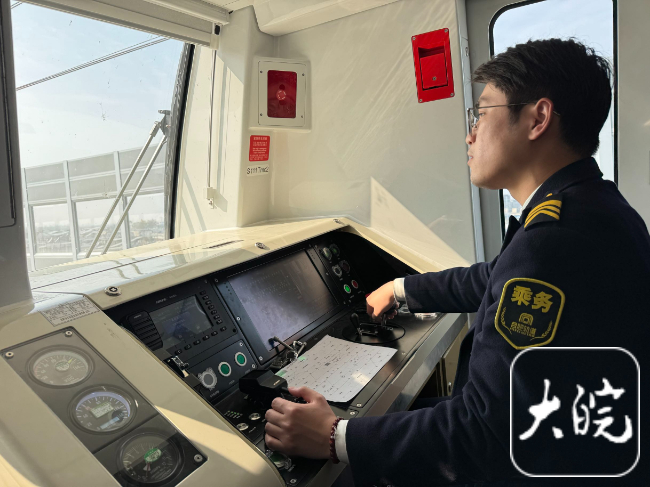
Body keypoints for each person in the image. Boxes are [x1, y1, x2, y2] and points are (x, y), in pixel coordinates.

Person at [263, 38, 650, 486]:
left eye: (481, 113)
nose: (470, 134)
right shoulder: (591, 208)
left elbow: (485, 434)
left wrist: (333, 437)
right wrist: (401, 289)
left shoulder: (556, 239)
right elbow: (496, 278)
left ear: (537, 118)